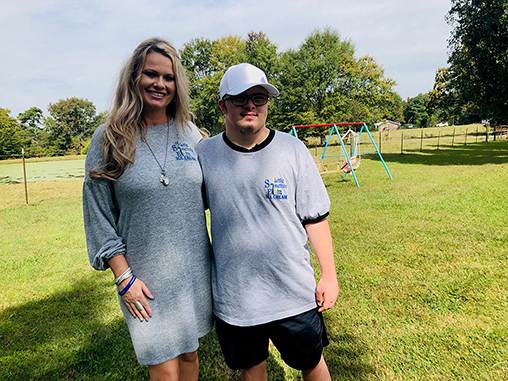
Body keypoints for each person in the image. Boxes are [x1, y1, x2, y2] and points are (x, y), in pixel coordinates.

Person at [196, 63, 339, 381]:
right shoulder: (204, 155)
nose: (251, 105)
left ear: (267, 103)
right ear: (223, 105)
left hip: (294, 291)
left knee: (312, 362)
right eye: (240, 98)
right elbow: (186, 215)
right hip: (237, 298)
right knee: (251, 368)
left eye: (259, 98)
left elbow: (315, 217)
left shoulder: (292, 149)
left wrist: (328, 275)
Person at [83, 37, 212, 380]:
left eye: (169, 77)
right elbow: (98, 216)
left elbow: (216, 195)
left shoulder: (191, 135)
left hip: (193, 272)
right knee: (164, 369)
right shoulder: (108, 138)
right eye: (151, 74)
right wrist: (124, 278)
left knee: (189, 357)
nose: (160, 84)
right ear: (134, 78)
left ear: (177, 84)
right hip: (143, 279)